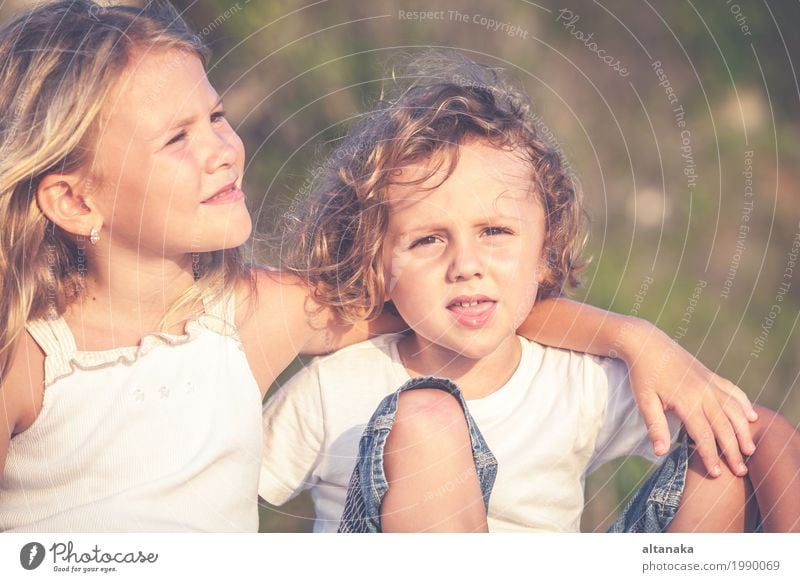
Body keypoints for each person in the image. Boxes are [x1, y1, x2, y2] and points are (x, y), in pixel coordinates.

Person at [0, 1, 754, 532]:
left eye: (218, 117)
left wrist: (636, 340)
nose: (223, 149)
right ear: (73, 199)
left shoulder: (250, 316)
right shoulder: (29, 357)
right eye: (177, 139)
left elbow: (464, 310)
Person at [260, 53, 800, 532]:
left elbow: (763, 438)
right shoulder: (335, 389)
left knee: (721, 461)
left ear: (547, 250)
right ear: (377, 264)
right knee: (427, 422)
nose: (466, 265)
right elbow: (218, 501)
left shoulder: (573, 381)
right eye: (427, 240)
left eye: (495, 232)